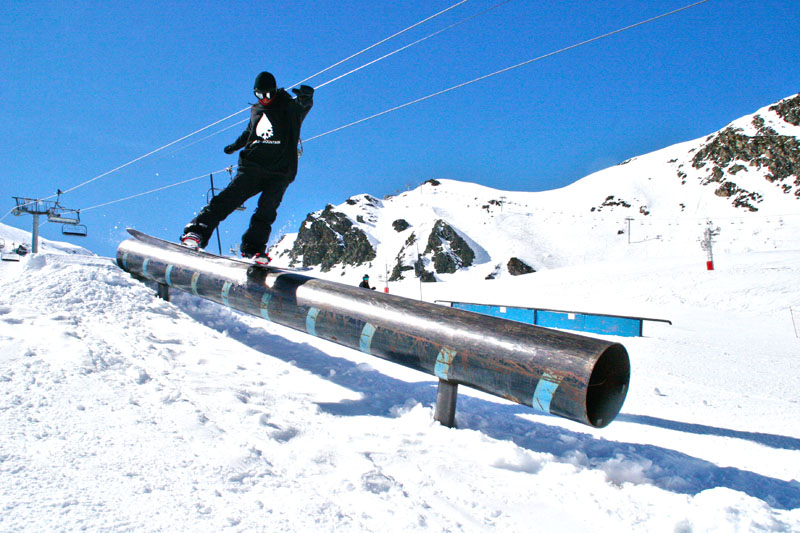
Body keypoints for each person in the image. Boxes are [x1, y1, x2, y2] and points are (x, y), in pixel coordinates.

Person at [181, 71, 314, 264]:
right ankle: (196, 232)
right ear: (255, 93)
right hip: (253, 167)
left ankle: (253, 249)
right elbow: (249, 132)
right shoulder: (256, 109)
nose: (265, 99)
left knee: (267, 211)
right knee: (228, 199)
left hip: (280, 171)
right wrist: (235, 146)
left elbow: (302, 108)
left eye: (269, 94)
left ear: (275, 91)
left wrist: (306, 99)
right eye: (260, 95)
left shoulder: (288, 107)